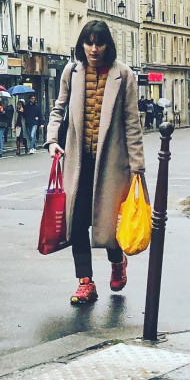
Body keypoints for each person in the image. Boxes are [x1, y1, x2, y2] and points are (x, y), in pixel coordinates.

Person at [47, 20, 146, 306]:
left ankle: (117, 261)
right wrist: (53, 140)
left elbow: (132, 123)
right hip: (78, 160)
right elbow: (58, 109)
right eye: (88, 43)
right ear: (81, 45)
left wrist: (137, 167)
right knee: (77, 223)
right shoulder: (72, 71)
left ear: (107, 45)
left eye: (99, 43)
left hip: (113, 162)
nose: (93, 49)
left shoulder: (124, 75)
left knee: (110, 224)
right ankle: (85, 282)